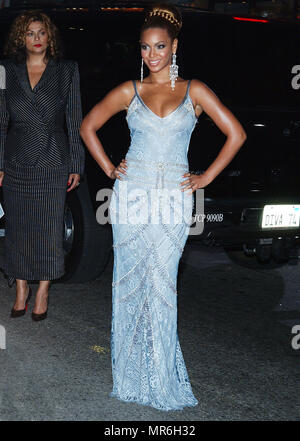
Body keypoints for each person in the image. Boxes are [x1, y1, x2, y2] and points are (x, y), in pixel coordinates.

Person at [80, 4, 246, 411]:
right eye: (145, 48)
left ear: (174, 46)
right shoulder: (127, 91)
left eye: (159, 47)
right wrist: (108, 168)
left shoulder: (195, 90)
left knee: (163, 285)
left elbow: (236, 134)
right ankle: (131, 377)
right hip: (131, 196)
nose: (152, 55)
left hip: (173, 198)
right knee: (129, 285)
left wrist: (205, 178)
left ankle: (161, 377)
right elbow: (87, 126)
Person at [0, 10, 85, 321]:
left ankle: (44, 289)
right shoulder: (5, 70)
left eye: (41, 33)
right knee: (18, 227)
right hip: (16, 160)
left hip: (52, 158)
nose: (36, 39)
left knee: (49, 228)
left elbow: (75, 119)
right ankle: (21, 287)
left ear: (50, 37)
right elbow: (0, 120)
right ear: (20, 39)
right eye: (29, 33)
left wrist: (77, 161)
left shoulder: (67, 71)